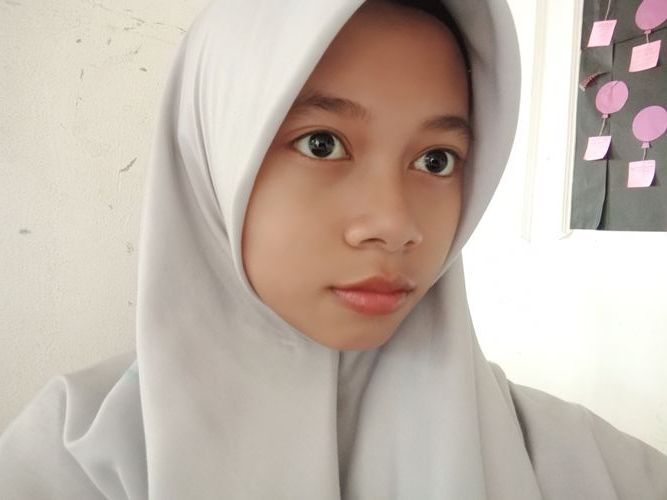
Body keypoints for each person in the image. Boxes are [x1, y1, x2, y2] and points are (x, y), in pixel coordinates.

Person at [1, 0, 666, 498]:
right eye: (321, 144)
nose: (395, 225)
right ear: (213, 158)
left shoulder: (579, 463)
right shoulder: (74, 457)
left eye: (437, 159)